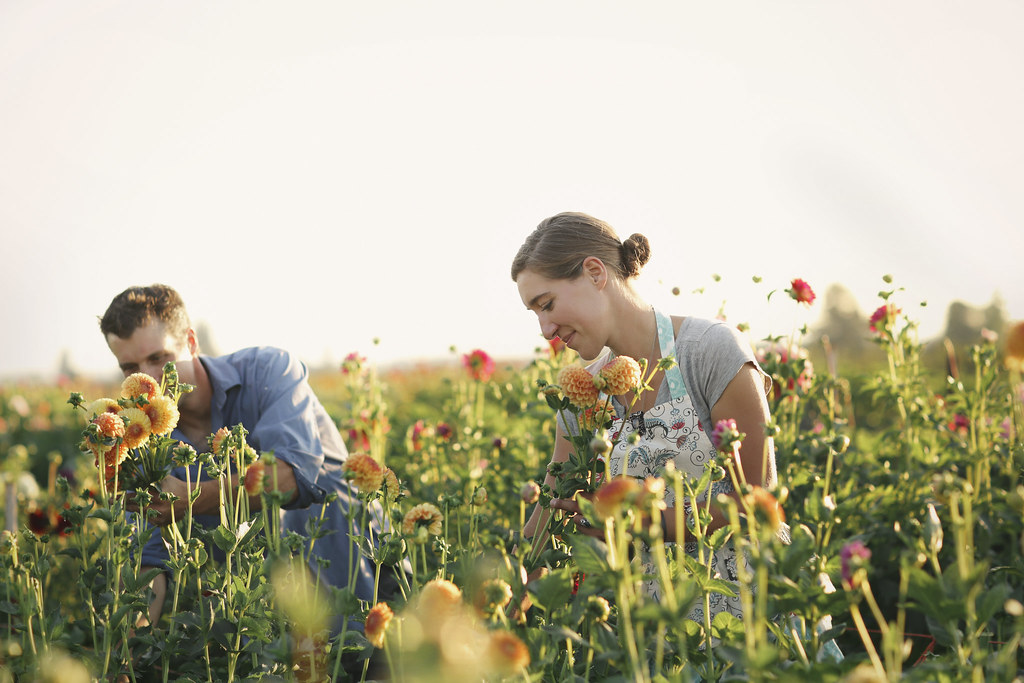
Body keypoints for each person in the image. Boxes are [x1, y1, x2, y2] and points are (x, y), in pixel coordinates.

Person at [511, 211, 776, 623]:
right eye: (536, 314)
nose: (545, 329)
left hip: (752, 616)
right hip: (655, 635)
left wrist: (632, 522)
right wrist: (498, 600)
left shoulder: (708, 351)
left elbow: (757, 502)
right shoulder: (585, 393)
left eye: (547, 304)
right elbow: (546, 511)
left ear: (595, 273)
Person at [98, 284, 399, 641]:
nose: (148, 380)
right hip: (264, 631)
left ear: (191, 343)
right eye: (130, 367)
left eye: (160, 359)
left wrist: (189, 500)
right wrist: (129, 647)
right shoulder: (140, 439)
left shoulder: (269, 372)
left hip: (363, 591)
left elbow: (292, 477)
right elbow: (150, 564)